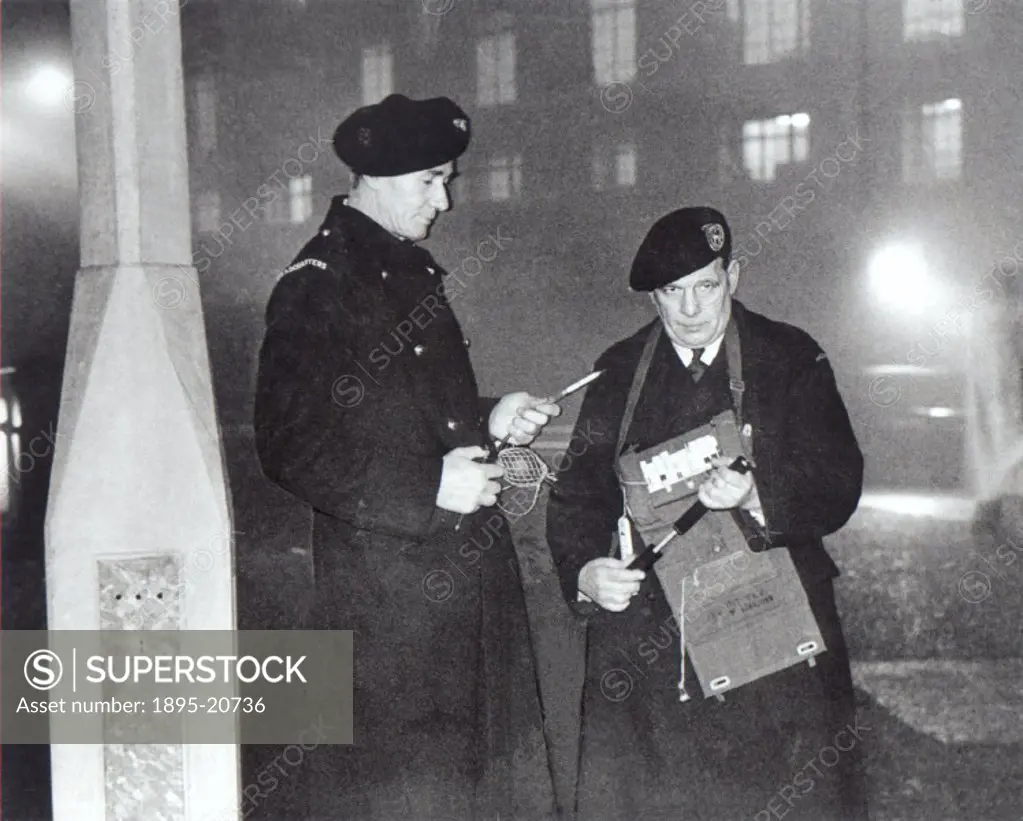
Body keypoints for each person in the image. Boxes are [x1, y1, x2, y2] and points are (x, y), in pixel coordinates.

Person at [253, 93, 560, 820]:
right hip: (388, 608)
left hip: (459, 586)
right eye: (431, 180)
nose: (444, 200)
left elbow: (405, 411)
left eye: (445, 179)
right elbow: (289, 441)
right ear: (377, 178)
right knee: (407, 791)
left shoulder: (404, 267)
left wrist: (490, 415)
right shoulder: (318, 284)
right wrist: (430, 486)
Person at [546, 206, 869, 821]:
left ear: (734, 278)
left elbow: (839, 481)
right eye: (674, 293)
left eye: (706, 287)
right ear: (654, 299)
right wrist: (586, 569)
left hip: (775, 639)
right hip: (656, 644)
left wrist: (756, 495)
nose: (691, 310)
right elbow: (579, 493)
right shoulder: (617, 372)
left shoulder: (791, 356)